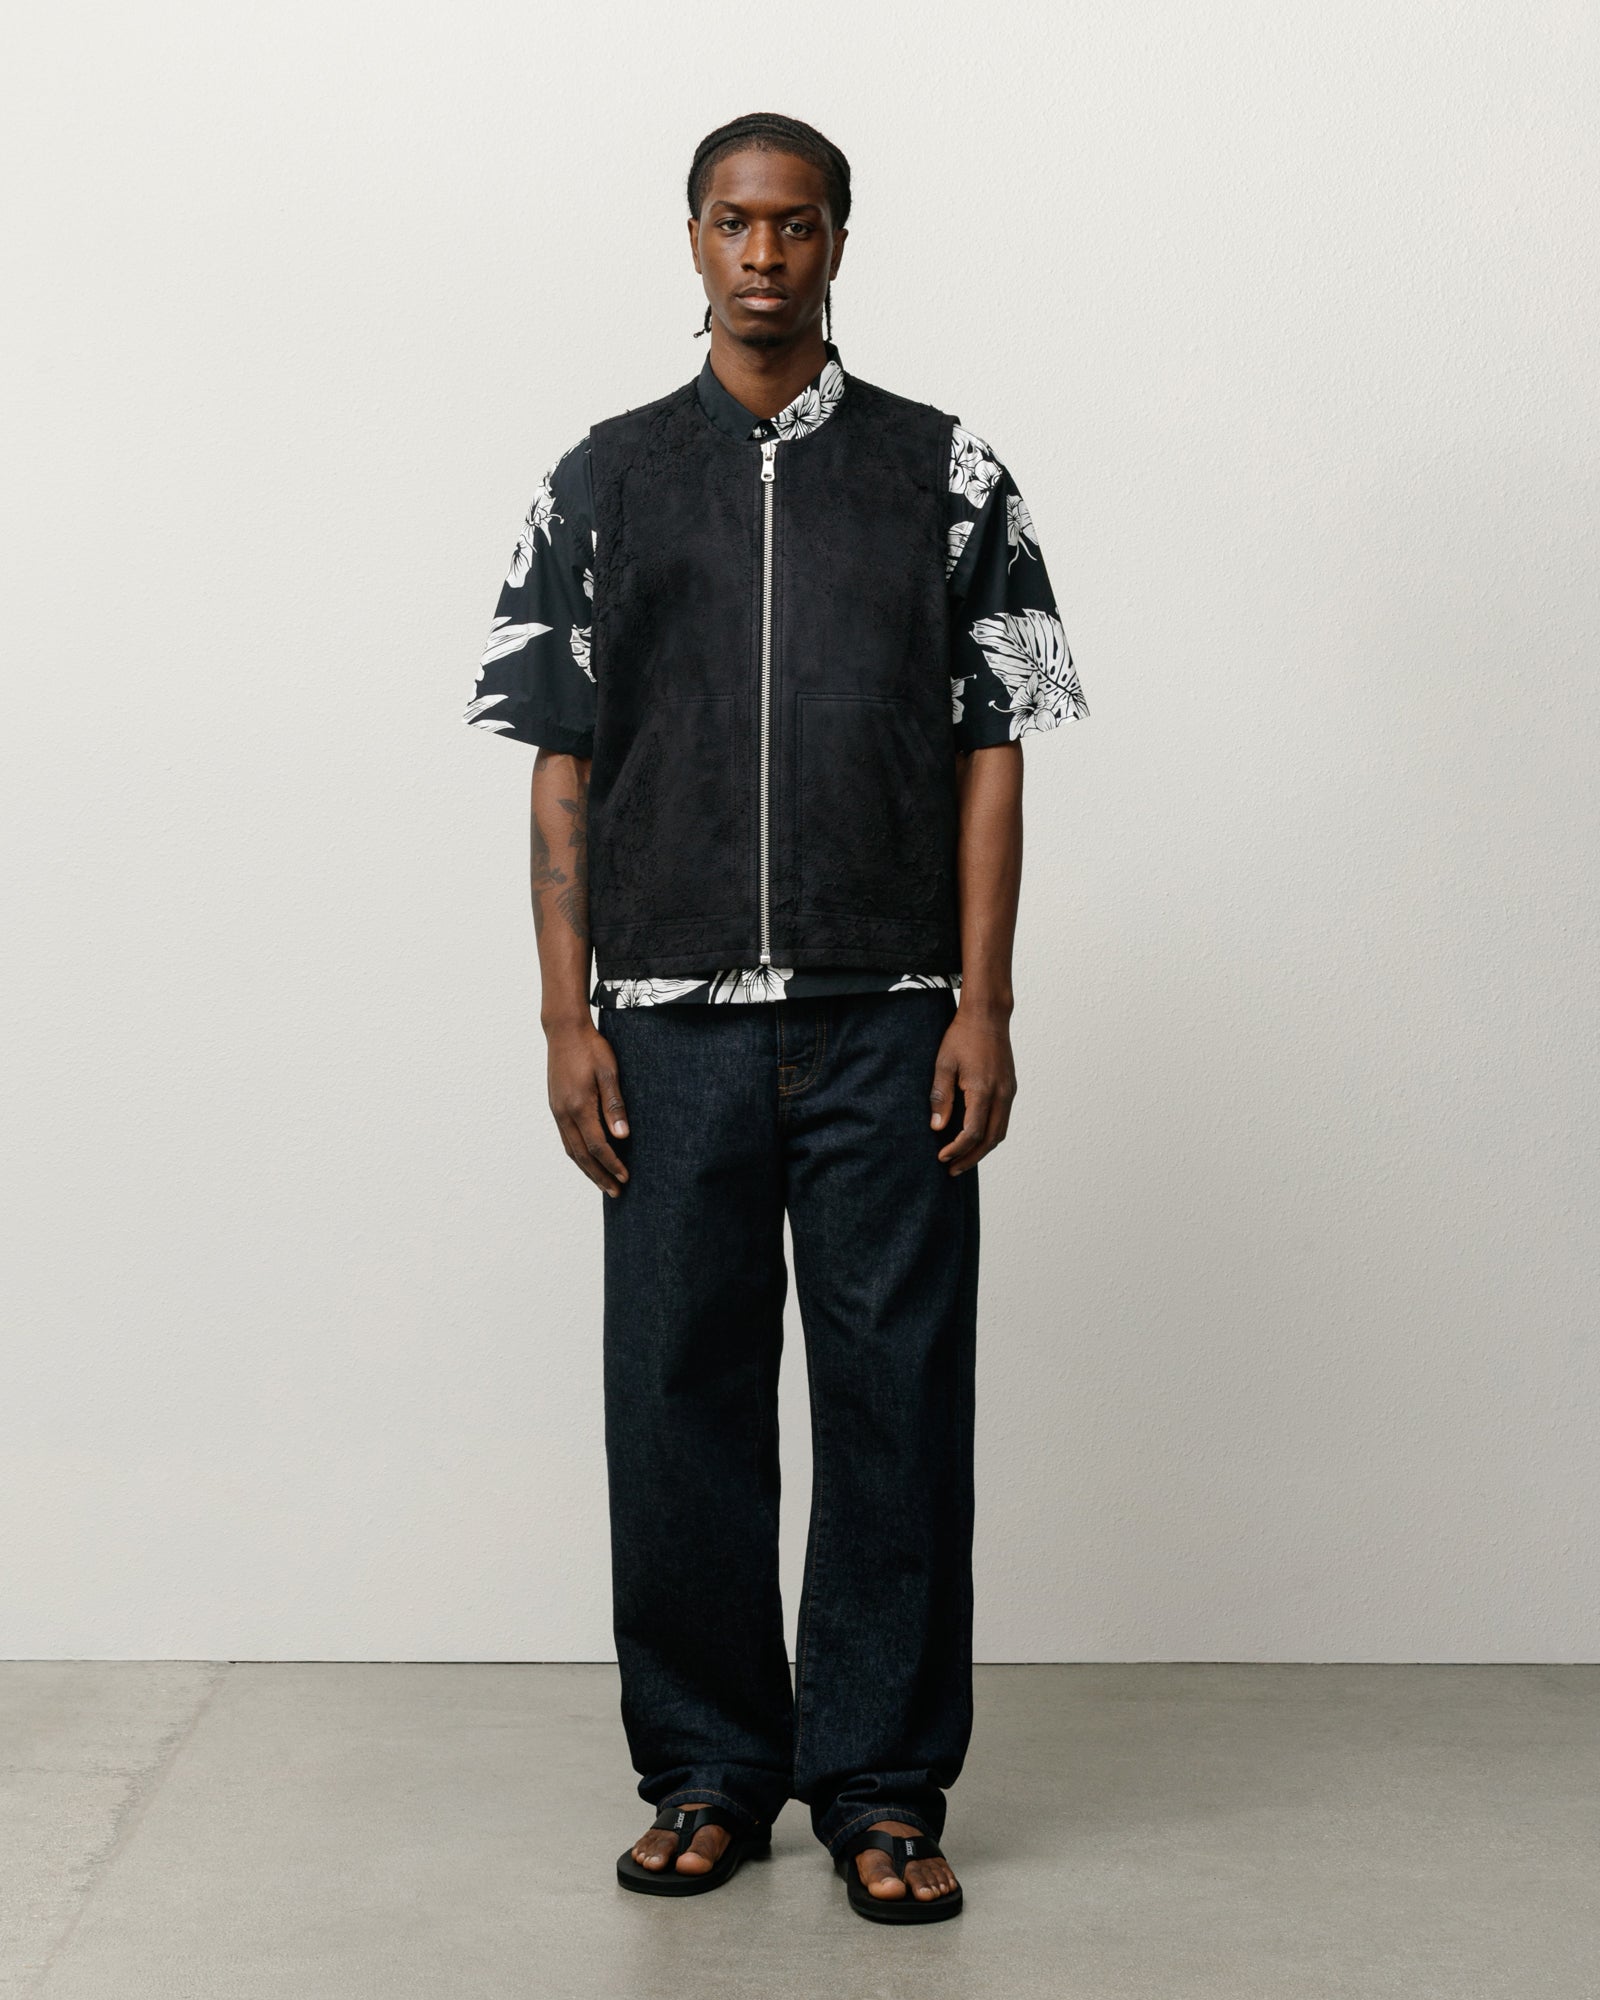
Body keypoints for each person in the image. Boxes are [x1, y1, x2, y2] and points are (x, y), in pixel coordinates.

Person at [465, 111, 1087, 1925]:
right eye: (735, 223)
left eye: (796, 224)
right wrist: (565, 1017)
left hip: (888, 1017)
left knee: (897, 1405)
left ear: (836, 243)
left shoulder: (945, 472)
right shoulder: (604, 478)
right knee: (679, 1404)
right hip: (665, 1025)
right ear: (692, 238)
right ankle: (709, 1772)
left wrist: (985, 1002)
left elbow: (996, 749)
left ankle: (882, 1788)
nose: (763, 254)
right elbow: (558, 760)